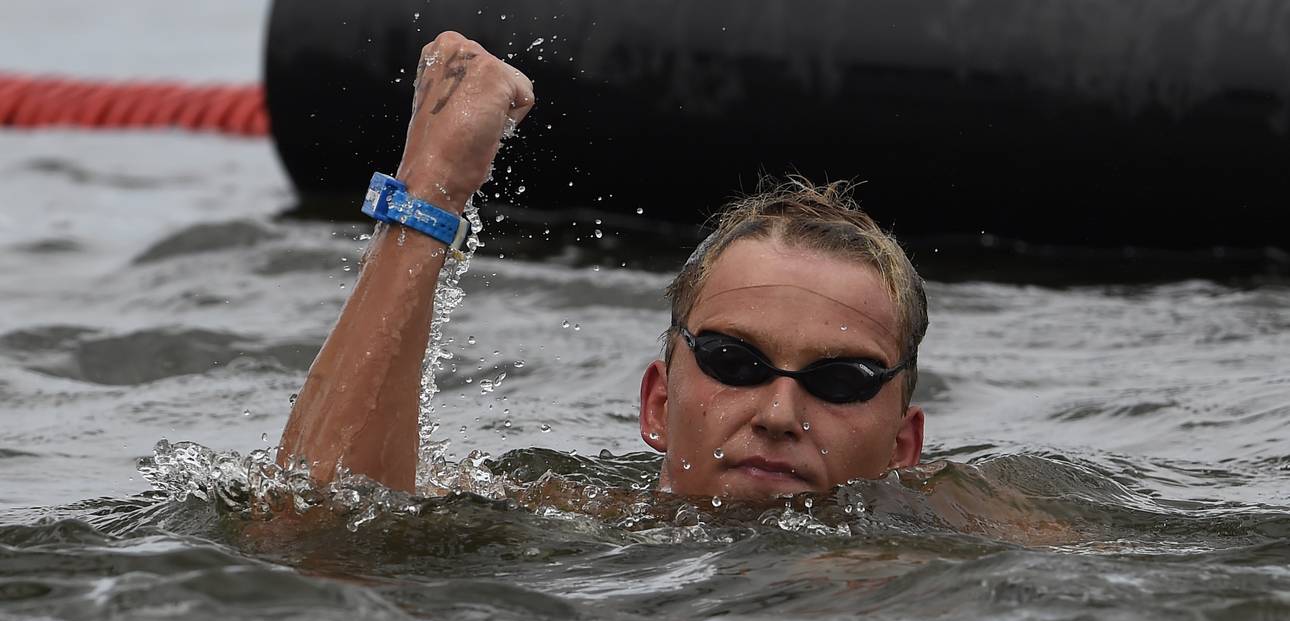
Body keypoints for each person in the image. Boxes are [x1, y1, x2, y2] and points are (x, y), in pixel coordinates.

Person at [278, 31, 926, 501]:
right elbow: (317, 529)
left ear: (904, 448)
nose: (779, 414)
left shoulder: (957, 542)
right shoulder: (564, 527)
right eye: (734, 361)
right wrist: (430, 190)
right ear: (658, 405)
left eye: (841, 380)